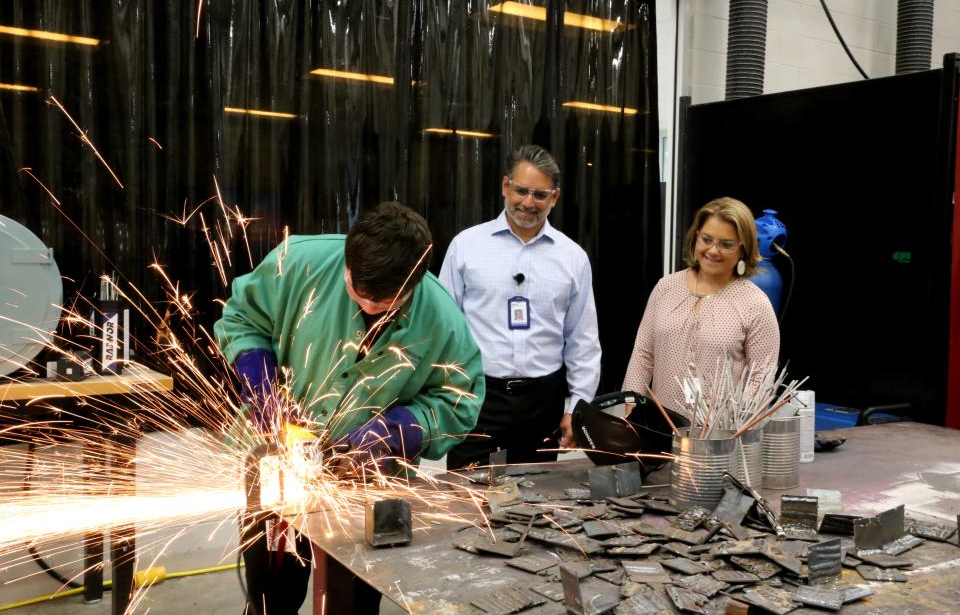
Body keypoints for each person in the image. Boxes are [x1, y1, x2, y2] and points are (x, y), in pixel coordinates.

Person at [214, 202, 484, 615]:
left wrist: (398, 430)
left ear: (416, 281)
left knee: (353, 603)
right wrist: (264, 388)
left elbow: (459, 399)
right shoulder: (297, 263)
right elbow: (241, 319)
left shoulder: (442, 319)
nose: (371, 307)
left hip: (366, 483)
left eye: (387, 303)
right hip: (276, 468)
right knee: (270, 597)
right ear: (348, 261)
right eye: (359, 294)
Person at [439, 144, 601, 469]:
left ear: (554, 198)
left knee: (535, 501)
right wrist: (446, 395)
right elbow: (443, 328)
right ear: (505, 187)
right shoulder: (466, 247)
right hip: (478, 396)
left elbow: (583, 340)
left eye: (540, 195)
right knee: (465, 500)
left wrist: (577, 407)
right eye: (521, 191)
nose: (529, 202)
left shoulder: (573, 258)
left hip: (543, 404)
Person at [622, 196, 780, 418]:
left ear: (743, 249)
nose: (713, 251)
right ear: (696, 237)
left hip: (719, 441)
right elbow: (643, 354)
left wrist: (729, 429)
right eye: (707, 239)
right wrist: (631, 406)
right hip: (660, 433)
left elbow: (761, 379)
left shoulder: (755, 304)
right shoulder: (666, 288)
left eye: (726, 244)